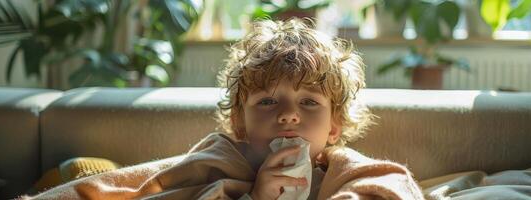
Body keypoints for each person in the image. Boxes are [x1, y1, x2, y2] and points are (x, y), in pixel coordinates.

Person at [23, 19, 424, 200]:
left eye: (309, 103)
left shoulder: (342, 170)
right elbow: (159, 185)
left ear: (335, 127)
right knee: (87, 171)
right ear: (240, 123)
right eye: (267, 101)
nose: (288, 115)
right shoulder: (221, 160)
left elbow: (389, 185)